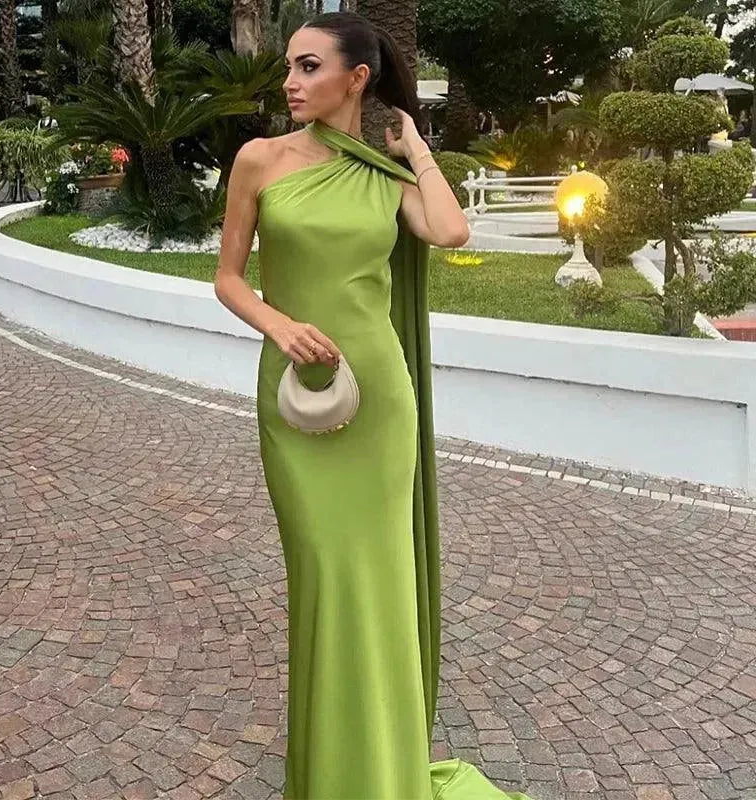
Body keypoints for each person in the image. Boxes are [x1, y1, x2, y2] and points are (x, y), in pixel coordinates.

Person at [214, 11, 534, 800]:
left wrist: (414, 148)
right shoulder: (258, 160)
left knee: (382, 582)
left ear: (357, 77)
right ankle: (332, 771)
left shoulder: (386, 175)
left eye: (309, 66)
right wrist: (280, 323)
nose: (290, 82)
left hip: (380, 402)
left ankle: (384, 773)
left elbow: (451, 230)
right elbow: (227, 278)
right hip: (296, 401)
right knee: (324, 576)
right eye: (289, 66)